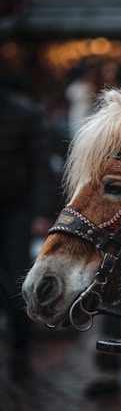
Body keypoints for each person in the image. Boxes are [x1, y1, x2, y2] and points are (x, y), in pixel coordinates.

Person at [0, 77, 60, 381]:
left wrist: (40, 213)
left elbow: (41, 166)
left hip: (17, 209)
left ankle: (20, 351)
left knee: (16, 281)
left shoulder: (26, 113)